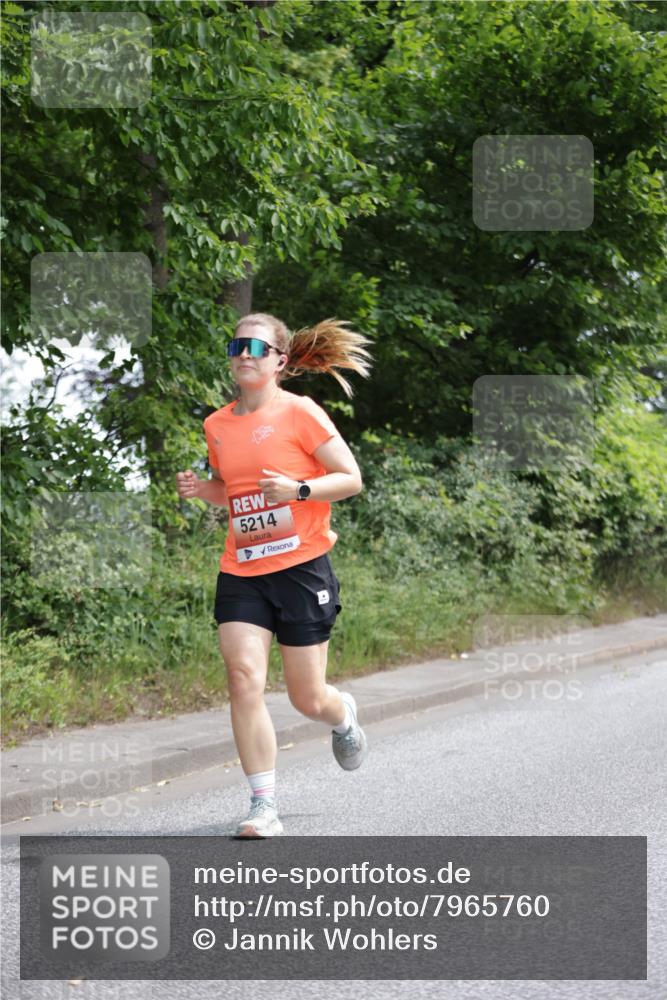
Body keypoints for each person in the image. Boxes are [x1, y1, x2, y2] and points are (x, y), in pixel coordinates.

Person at [176, 313, 373, 838]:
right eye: (236, 343)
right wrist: (203, 491)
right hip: (242, 568)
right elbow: (232, 490)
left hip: (302, 567)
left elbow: (350, 479)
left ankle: (342, 714)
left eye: (256, 347)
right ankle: (263, 805)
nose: (244, 353)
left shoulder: (301, 413)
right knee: (243, 678)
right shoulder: (217, 425)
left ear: (279, 361)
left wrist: (300, 491)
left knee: (306, 698)